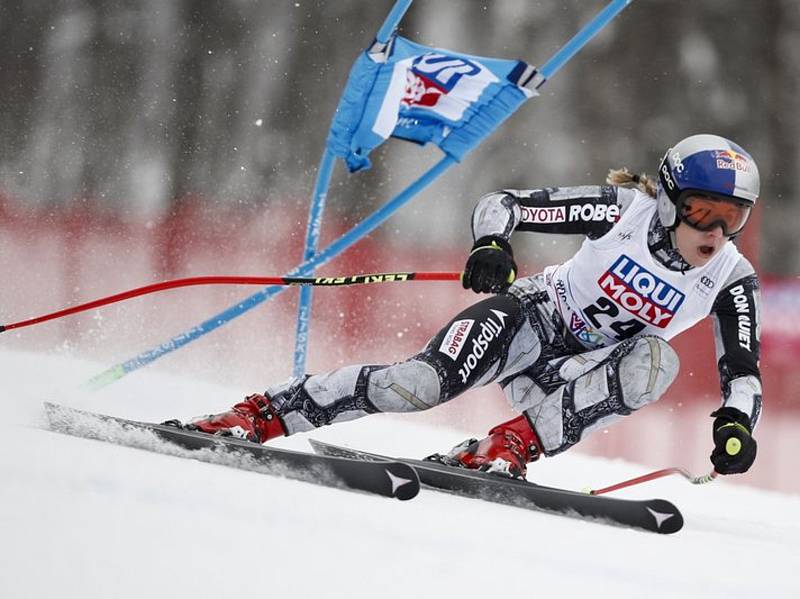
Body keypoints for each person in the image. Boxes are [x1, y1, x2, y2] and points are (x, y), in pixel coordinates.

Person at [171, 133, 762, 479]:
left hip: (569, 379)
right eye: (702, 210)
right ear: (669, 200)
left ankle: (503, 448)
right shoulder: (622, 210)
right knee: (420, 386)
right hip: (527, 320)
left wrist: (738, 424)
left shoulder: (733, 277)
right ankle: (262, 412)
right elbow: (504, 203)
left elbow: (744, 373)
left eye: (732, 217)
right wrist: (491, 243)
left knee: (656, 360)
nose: (715, 230)